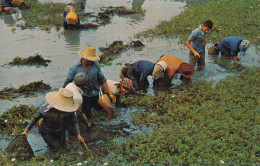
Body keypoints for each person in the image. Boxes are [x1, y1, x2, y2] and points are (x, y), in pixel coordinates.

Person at [63, 46, 116, 120]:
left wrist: (110, 93)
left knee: (109, 108)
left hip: (97, 92)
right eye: (89, 60)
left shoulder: (96, 65)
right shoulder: (75, 68)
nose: (91, 61)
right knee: (87, 116)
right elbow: (67, 83)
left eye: (92, 60)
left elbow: (102, 80)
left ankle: (111, 125)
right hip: (85, 95)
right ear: (84, 58)